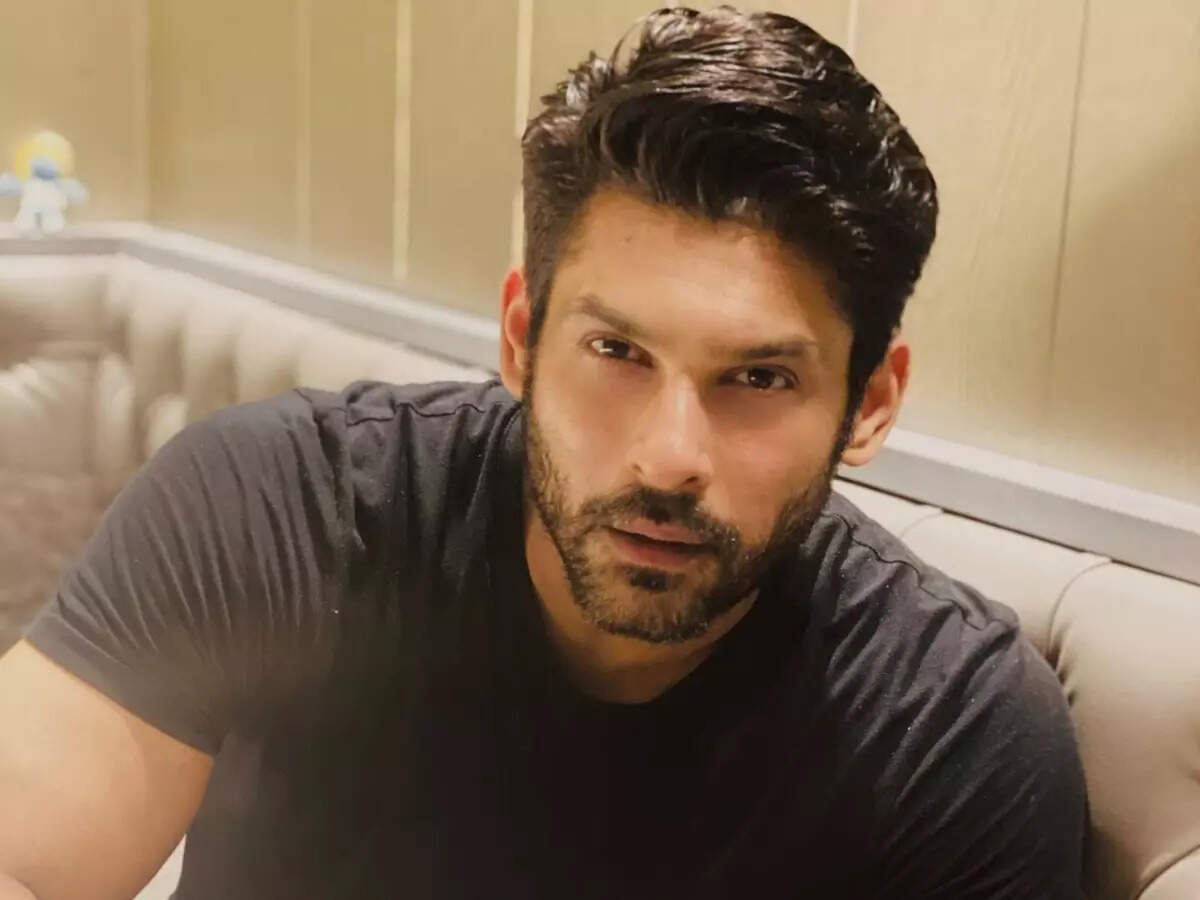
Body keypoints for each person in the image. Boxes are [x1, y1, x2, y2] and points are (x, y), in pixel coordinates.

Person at [0, 7, 1086, 899]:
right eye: (616, 352)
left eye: (759, 379)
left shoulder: (947, 732)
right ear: (521, 338)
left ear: (870, 404)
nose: (668, 459)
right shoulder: (280, 505)